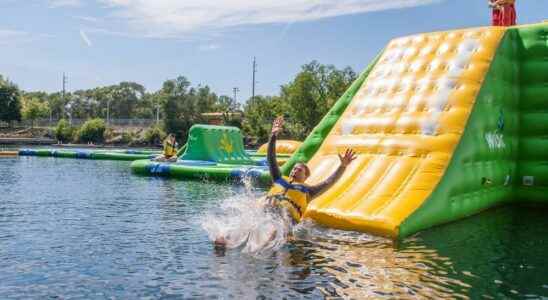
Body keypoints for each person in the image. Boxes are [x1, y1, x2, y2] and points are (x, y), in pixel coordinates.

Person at [214, 117, 356, 248]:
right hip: (265, 212)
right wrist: (273, 134)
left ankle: (264, 248)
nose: (294, 171)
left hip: (284, 220)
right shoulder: (279, 179)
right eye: (294, 169)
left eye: (299, 169)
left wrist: (342, 166)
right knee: (246, 222)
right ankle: (225, 239)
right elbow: (271, 158)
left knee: (275, 228)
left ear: (305, 176)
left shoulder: (308, 191)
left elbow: (329, 182)